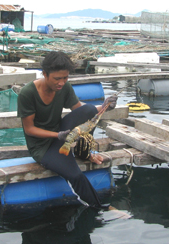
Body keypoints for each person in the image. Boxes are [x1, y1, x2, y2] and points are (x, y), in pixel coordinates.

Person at [17, 51, 117, 210]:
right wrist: (57, 135)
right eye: (57, 78)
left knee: (90, 109)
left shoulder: (64, 87)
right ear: (44, 74)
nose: (61, 83)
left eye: (65, 78)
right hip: (42, 147)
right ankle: (101, 208)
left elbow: (81, 111)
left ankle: (84, 152)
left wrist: (105, 106)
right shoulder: (27, 93)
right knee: (75, 175)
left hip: (60, 134)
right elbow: (29, 129)